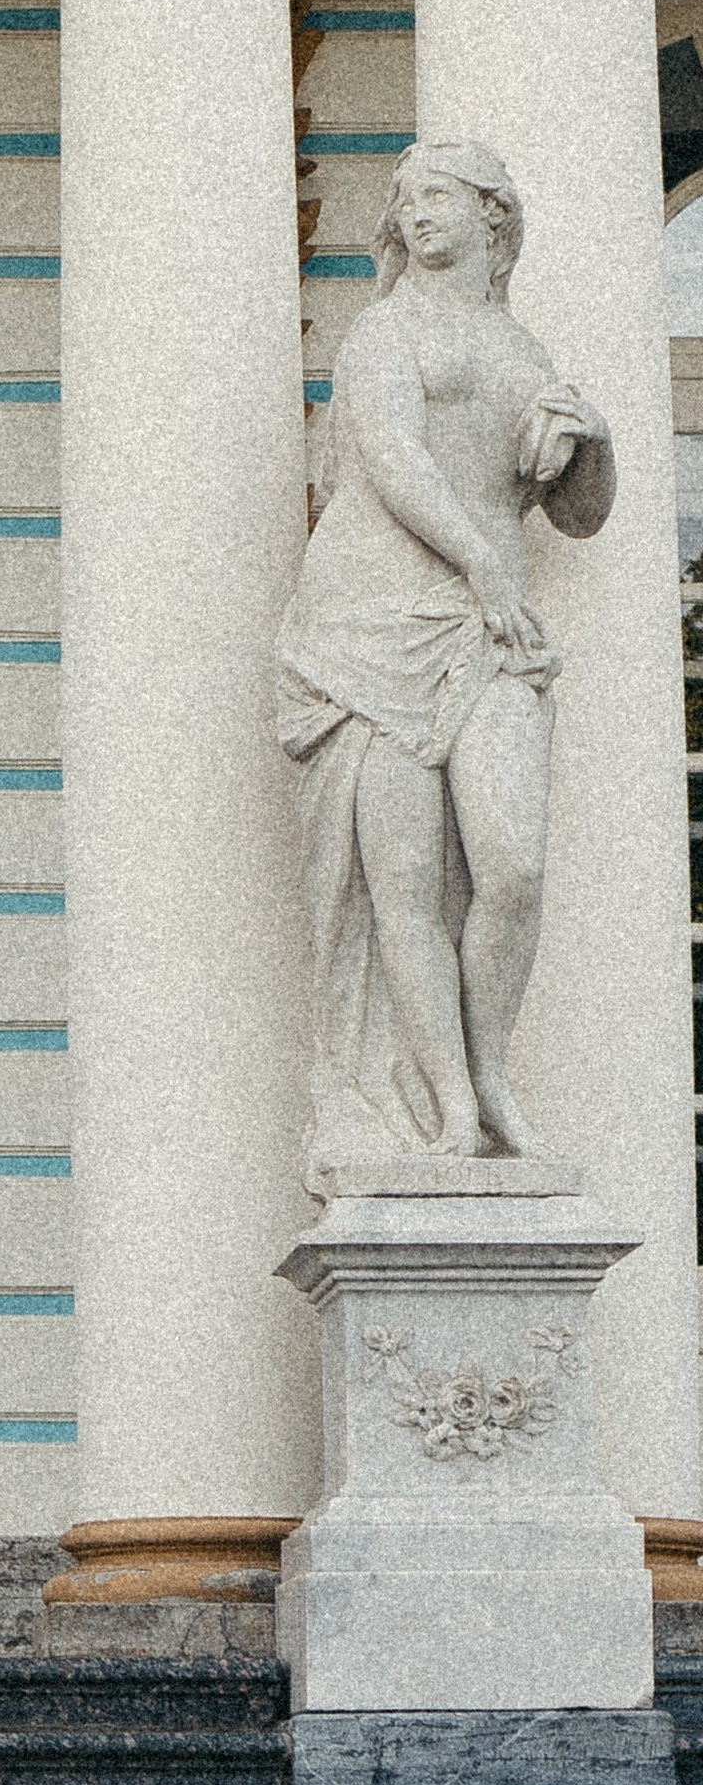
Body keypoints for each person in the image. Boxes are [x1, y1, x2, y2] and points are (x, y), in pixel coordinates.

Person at [275, 136, 614, 1185]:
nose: (416, 213)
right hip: (369, 628)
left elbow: (579, 515)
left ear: (491, 215)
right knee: (402, 886)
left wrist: (592, 443)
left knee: (511, 863)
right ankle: (453, 1111)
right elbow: (391, 458)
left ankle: (491, 1069)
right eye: (404, 199)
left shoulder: (523, 352)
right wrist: (480, 561)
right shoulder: (385, 332)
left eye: (437, 196)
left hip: (488, 631)